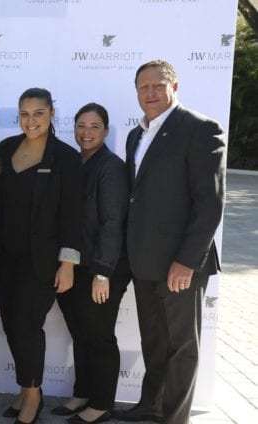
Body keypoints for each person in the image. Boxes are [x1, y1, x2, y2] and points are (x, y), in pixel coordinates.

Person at [114, 60, 225, 424]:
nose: (150, 94)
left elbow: (209, 203)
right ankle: (151, 405)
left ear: (174, 86)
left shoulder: (199, 129)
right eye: (143, 88)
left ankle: (174, 418)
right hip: (144, 261)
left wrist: (188, 261)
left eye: (158, 86)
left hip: (180, 264)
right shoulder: (136, 135)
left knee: (181, 348)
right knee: (154, 343)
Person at [0, 88, 82, 424]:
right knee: (10, 326)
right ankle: (25, 387)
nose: (31, 121)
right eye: (25, 114)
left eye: (38, 114)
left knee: (27, 327)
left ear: (51, 115)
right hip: (5, 259)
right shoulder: (5, 149)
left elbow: (73, 216)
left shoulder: (65, 158)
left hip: (42, 263)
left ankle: (33, 396)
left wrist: (68, 264)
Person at [52, 103, 131, 424]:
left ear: (106, 131)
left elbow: (113, 222)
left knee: (99, 335)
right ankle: (83, 392)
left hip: (101, 266)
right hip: (74, 263)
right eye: (81, 125)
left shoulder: (110, 167)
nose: (86, 132)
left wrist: (102, 272)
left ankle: (102, 403)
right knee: (81, 333)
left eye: (94, 126)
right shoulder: (76, 162)